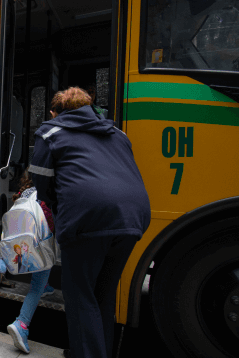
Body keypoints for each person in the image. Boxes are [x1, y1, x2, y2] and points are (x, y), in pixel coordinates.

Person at [29, 87, 150, 358]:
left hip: (87, 217)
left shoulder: (50, 131)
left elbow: (41, 182)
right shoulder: (117, 133)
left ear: (54, 112)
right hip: (133, 217)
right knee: (102, 294)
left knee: (80, 296)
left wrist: (55, 208)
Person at [5, 173, 55, 354]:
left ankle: (46, 286)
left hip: (25, 245)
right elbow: (50, 222)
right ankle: (21, 324)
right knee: (36, 287)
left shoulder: (24, 193)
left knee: (41, 279)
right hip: (41, 246)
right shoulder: (45, 194)